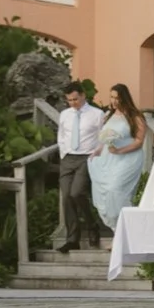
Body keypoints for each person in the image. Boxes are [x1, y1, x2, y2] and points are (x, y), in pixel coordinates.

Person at [88, 83, 150, 233]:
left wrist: (120, 150)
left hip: (128, 158)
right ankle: (118, 233)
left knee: (115, 191)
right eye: (112, 97)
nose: (114, 101)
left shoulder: (135, 116)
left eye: (117, 98)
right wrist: (97, 151)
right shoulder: (109, 115)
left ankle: (131, 231)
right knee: (106, 194)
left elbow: (139, 141)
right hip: (109, 159)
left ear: (125, 98)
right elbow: (105, 138)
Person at [53, 83, 106, 251]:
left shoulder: (97, 114)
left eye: (75, 99)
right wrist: (63, 152)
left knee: (77, 193)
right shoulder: (65, 114)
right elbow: (61, 135)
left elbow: (103, 136)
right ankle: (72, 239)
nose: (72, 103)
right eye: (69, 100)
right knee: (66, 197)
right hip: (68, 158)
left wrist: (96, 154)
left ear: (83, 96)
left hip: (86, 157)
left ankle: (92, 225)